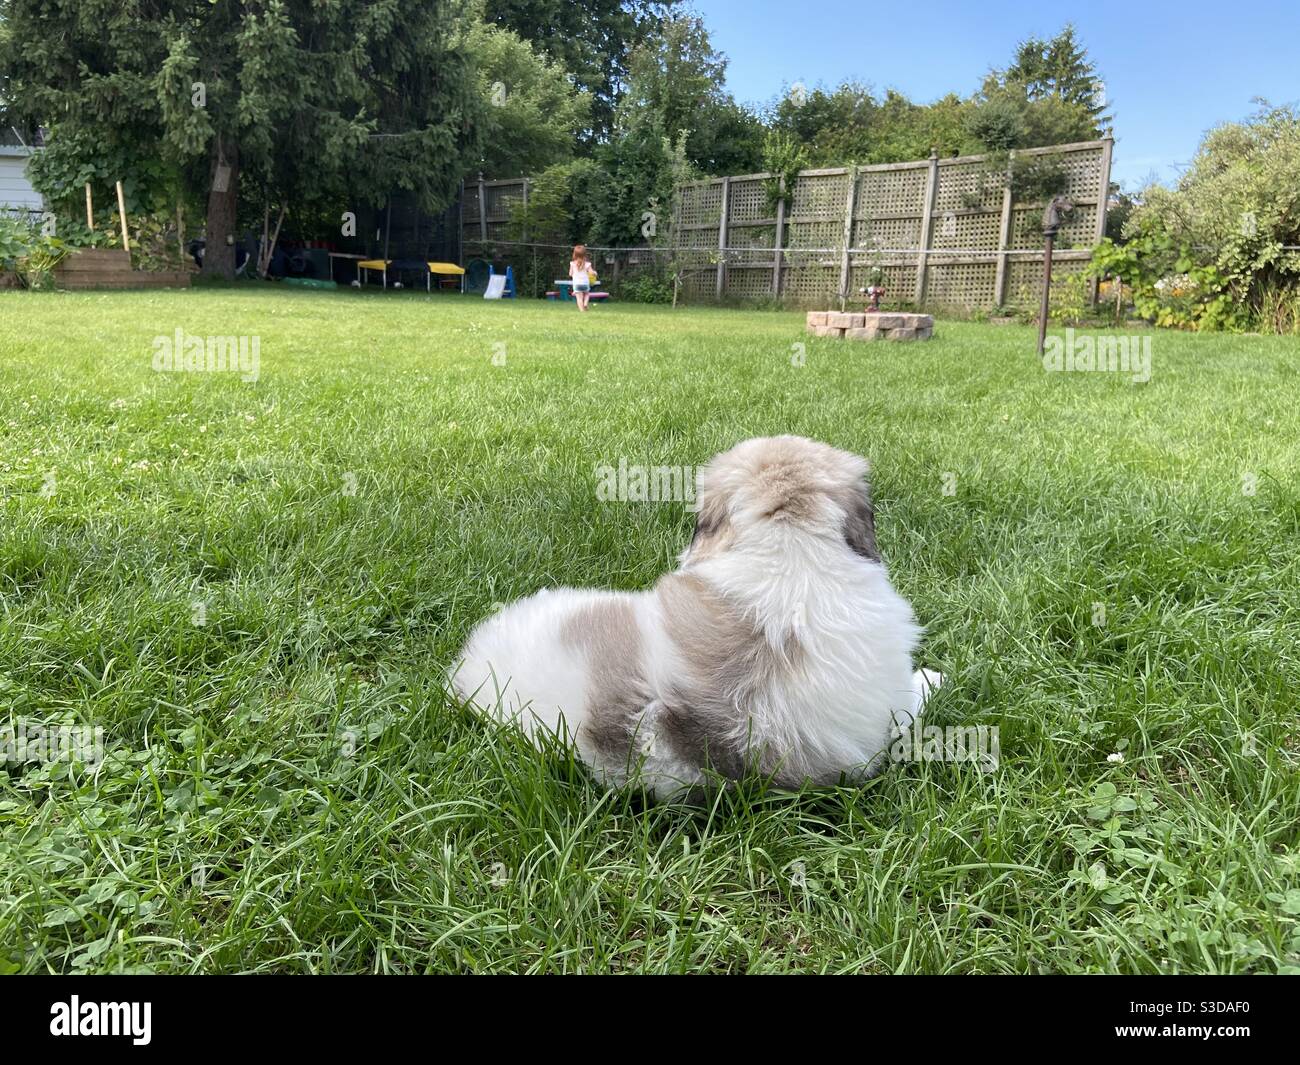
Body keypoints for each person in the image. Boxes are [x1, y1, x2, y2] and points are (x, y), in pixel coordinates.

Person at [568, 244, 597, 311]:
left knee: (579, 298)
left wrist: (574, 275)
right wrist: (595, 273)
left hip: (577, 284)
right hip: (585, 283)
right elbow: (591, 273)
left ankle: (582, 311)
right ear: (584, 254)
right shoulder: (587, 264)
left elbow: (570, 274)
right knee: (587, 294)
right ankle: (585, 304)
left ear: (574, 254)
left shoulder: (572, 264)